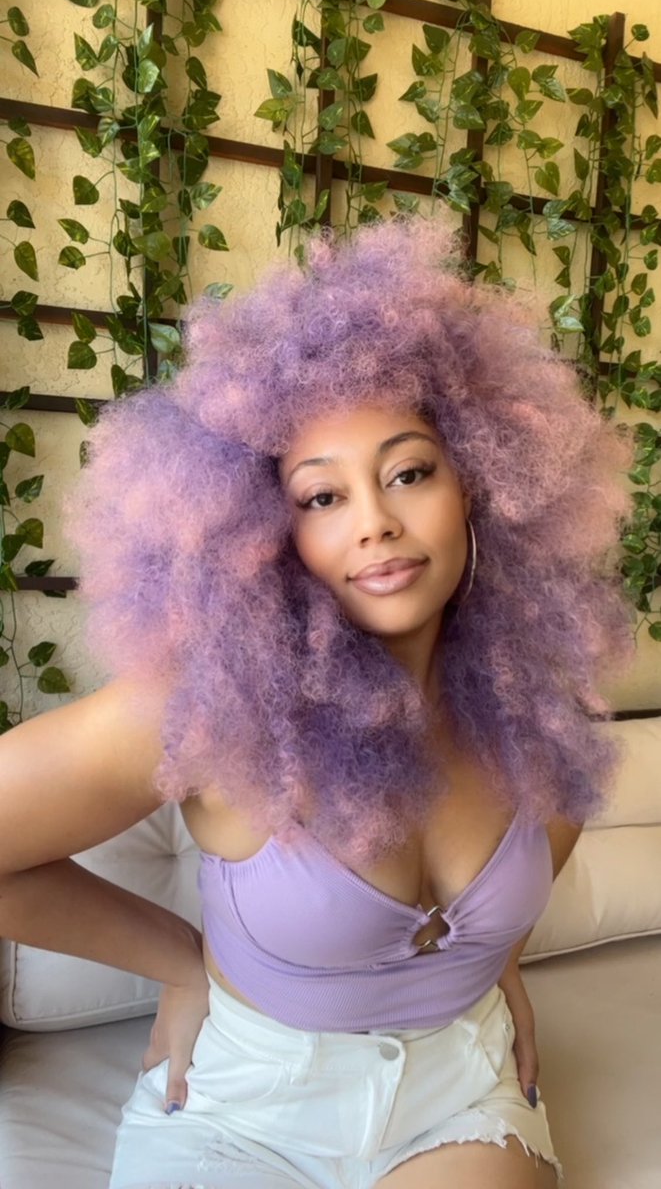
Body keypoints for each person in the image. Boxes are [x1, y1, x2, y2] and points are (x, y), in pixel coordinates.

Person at [0, 211, 636, 1189]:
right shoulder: (206, 710)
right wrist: (180, 961)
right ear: (262, 529)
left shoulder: (540, 710)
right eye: (322, 497)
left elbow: (500, 905)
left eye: (409, 473)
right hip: (246, 1112)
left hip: (460, 1094)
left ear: (481, 485)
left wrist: (495, 971)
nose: (376, 523)